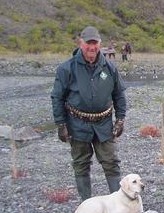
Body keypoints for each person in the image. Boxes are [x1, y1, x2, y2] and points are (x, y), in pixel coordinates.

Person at [51, 26, 127, 201]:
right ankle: (85, 204)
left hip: (104, 124)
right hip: (77, 125)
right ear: (81, 43)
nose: (91, 47)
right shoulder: (66, 68)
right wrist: (61, 124)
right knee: (81, 164)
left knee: (111, 163)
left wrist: (120, 119)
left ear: (99, 44)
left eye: (95, 43)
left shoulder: (109, 67)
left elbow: (119, 95)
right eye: (88, 44)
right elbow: (57, 97)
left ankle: (117, 203)